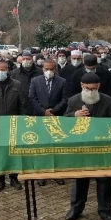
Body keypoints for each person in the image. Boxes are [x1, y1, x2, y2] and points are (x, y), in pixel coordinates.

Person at [64, 72, 111, 220]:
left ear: (98, 87)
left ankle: (105, 211)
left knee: (105, 180)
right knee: (80, 179)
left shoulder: (109, 101)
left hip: (103, 147)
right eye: (87, 88)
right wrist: (74, 115)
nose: (90, 91)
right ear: (82, 86)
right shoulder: (74, 100)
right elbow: (63, 120)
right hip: (81, 147)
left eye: (93, 89)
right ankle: (76, 209)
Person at [0, 61, 28, 192]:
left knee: (13, 151)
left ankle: (14, 178)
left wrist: (22, 122)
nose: (1, 72)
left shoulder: (16, 85)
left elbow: (22, 105)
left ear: (8, 70)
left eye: (3, 69)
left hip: (13, 123)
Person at [28, 58, 70, 187]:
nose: (49, 71)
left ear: (55, 69)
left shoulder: (62, 82)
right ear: (43, 69)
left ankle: (56, 173)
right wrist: (43, 111)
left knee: (55, 146)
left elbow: (65, 99)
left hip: (56, 117)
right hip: (40, 117)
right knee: (41, 146)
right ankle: (42, 173)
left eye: (52, 69)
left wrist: (53, 111)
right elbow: (32, 97)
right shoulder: (35, 81)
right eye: (47, 69)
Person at [11, 51, 43, 115]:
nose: (26, 61)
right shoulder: (15, 73)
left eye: (28, 59)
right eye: (24, 59)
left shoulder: (40, 72)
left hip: (36, 106)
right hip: (21, 106)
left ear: (32, 60)